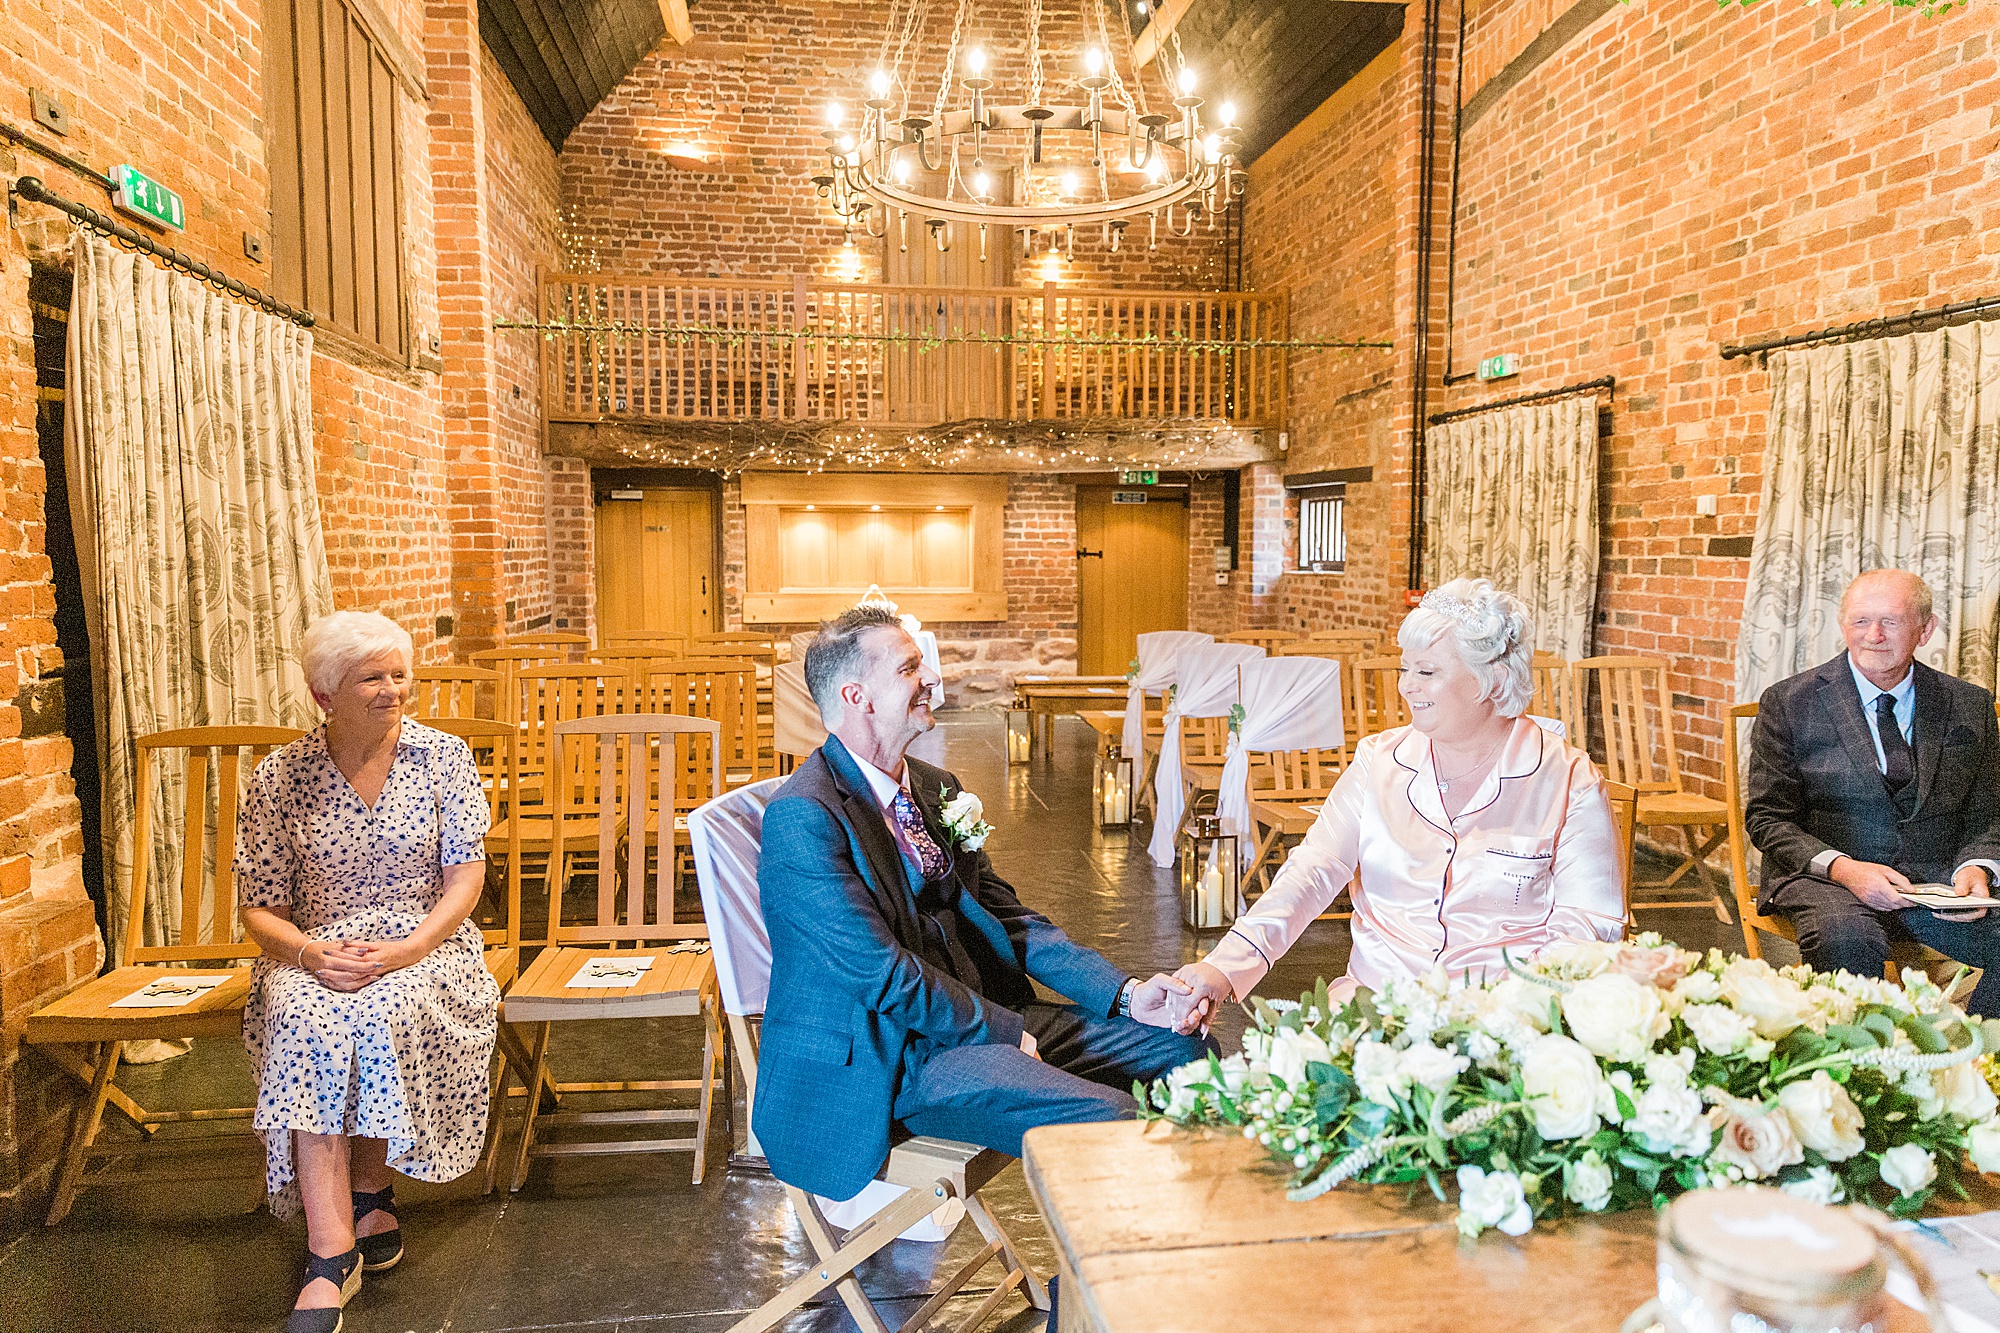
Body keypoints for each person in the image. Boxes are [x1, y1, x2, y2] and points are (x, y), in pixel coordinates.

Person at [753, 604, 1208, 1204]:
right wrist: (999, 1031)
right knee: (1114, 1121)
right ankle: (1087, 1292)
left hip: (985, 1015)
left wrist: (1124, 996)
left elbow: (1009, 920)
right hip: (893, 1057)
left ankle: (1187, 1253)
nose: (931, 680)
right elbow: (882, 976)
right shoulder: (803, 819)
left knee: (1190, 1058)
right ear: (858, 696)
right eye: (911, 669)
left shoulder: (936, 789)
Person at [1140, 578, 1629, 1032]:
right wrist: (1221, 968)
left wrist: (1507, 1025)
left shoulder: (1568, 778)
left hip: (1506, 1027)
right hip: (1370, 1017)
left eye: (1427, 672)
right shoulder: (1378, 763)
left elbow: (1587, 927)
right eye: (1405, 669)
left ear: (1493, 681)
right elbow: (1310, 873)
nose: (1406, 686)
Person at [236, 611, 500, 1333]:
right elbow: (260, 908)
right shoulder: (279, 776)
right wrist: (309, 954)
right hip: (315, 947)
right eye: (372, 678)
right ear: (325, 695)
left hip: (425, 943)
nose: (392, 690)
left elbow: (465, 877)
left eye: (399, 674)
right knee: (305, 1013)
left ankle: (372, 1187)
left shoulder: (441, 757)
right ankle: (331, 1252)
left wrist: (409, 948)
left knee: (383, 1007)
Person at [1744, 569, 2000, 1013]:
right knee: (1847, 939)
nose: (1874, 636)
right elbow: (1767, 818)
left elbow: (1989, 812)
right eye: (1861, 621)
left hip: (1936, 883)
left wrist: (1976, 867)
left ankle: (1973, 1062)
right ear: (1844, 626)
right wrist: (1845, 870)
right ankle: (1854, 1072)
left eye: (1892, 621)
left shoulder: (1971, 704)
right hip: (1826, 879)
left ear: (1926, 629)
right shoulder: (1790, 702)